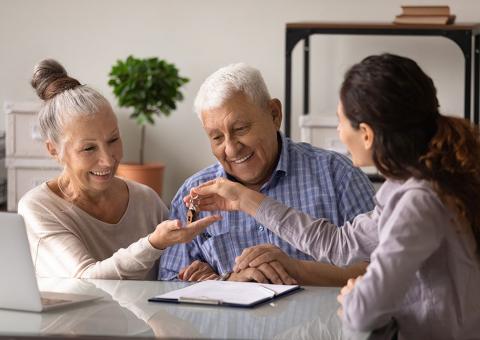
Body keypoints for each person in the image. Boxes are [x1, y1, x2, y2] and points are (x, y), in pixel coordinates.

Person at [188, 54, 480, 338]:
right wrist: (245, 200)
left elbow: (365, 309)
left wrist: (356, 295)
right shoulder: (404, 190)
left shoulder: (418, 202)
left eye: (341, 122)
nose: (338, 132)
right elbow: (339, 243)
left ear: (366, 134)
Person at [159, 63, 376, 284]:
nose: (231, 149)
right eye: (217, 138)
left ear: (274, 114)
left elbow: (384, 273)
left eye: (241, 128)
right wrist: (226, 284)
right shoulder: (193, 195)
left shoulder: (337, 175)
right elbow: (166, 287)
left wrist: (298, 271)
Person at [18, 59, 220, 280]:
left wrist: (197, 270)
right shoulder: (38, 208)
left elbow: (172, 273)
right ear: (54, 150)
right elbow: (86, 280)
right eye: (88, 148)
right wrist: (154, 243)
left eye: (113, 139)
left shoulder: (146, 201)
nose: (107, 160)